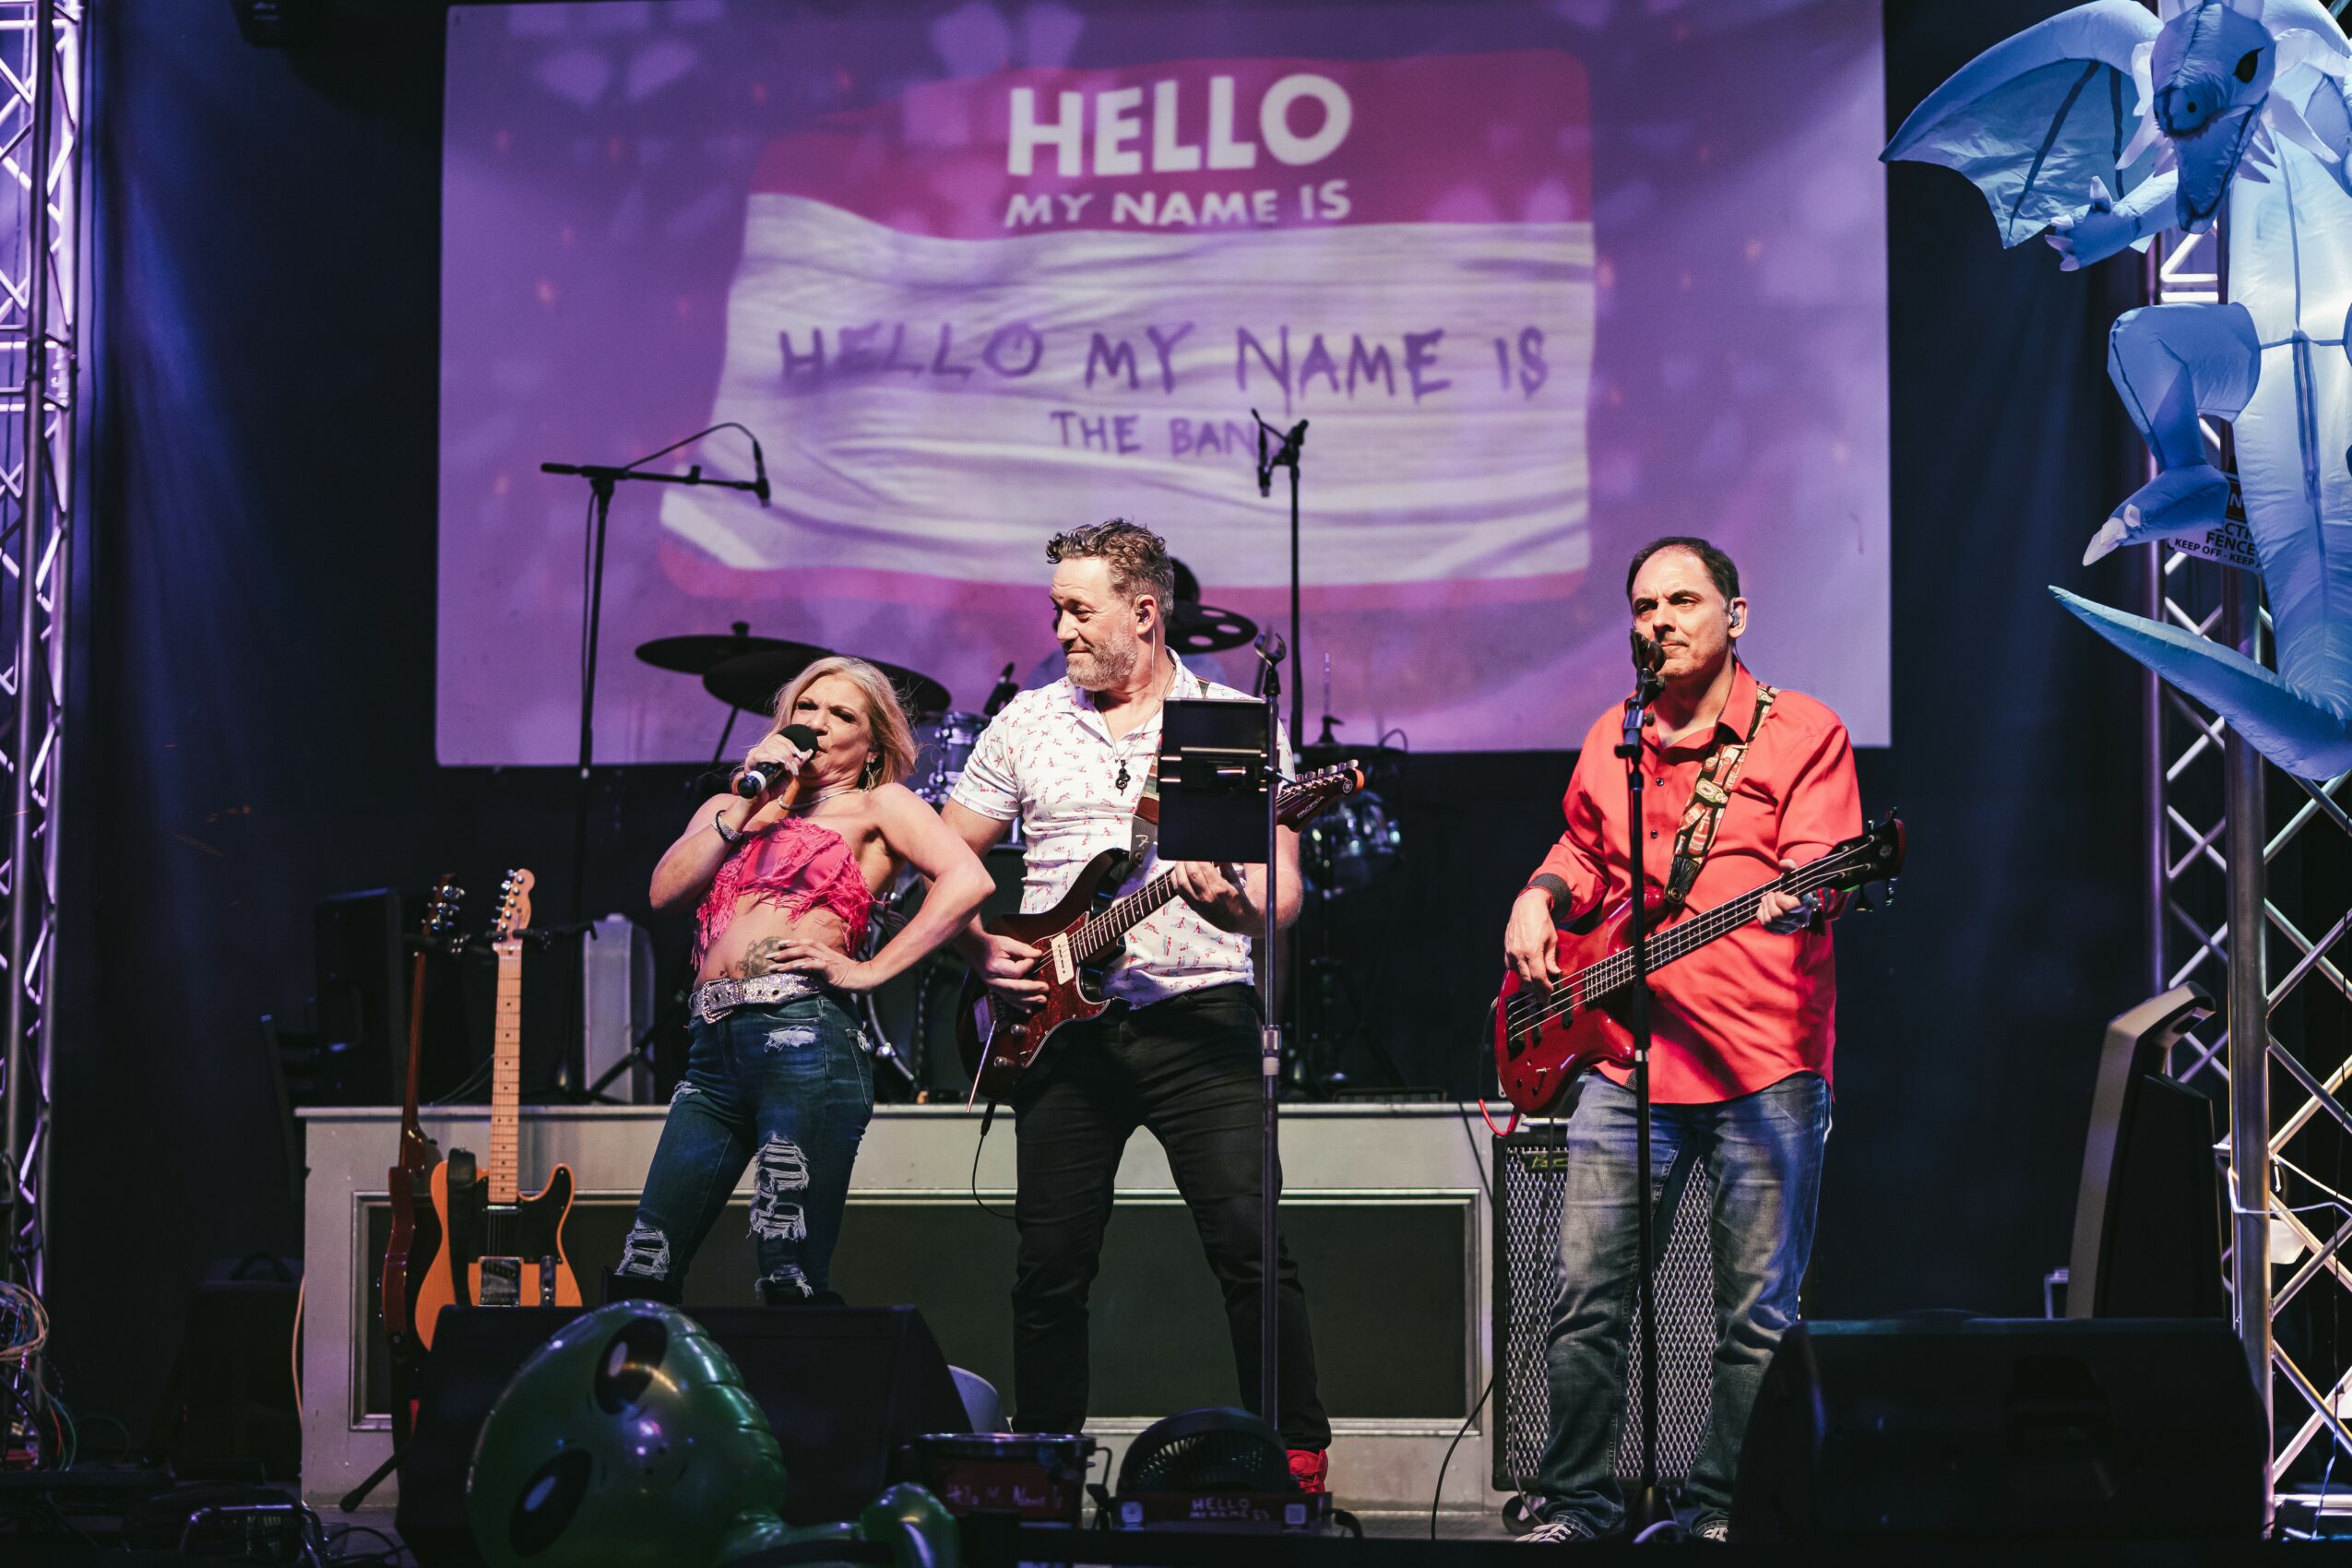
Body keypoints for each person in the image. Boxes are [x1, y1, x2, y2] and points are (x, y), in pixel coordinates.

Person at [937, 518, 1334, 1491]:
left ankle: (1295, 1461)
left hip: (1199, 1016)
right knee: (1049, 1266)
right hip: (1059, 1033)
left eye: (1080, 610)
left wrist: (1231, 903)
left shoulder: (1227, 722)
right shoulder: (1026, 722)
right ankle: (1042, 1471)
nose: (1061, 629)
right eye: (1057, 609)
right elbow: (942, 862)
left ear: (1145, 612)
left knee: (1250, 1247)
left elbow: (1279, 891)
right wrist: (981, 947)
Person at [1502, 537, 1860, 1544]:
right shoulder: (1615, 735)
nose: (1660, 620)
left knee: (1758, 1315)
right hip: (1629, 1059)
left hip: (1765, 1064)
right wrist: (1539, 895)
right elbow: (1582, 846)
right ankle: (1577, 1503)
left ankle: (1722, 1511)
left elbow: (1824, 868)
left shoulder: (1803, 732)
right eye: (1644, 606)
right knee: (1585, 1301)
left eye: (1683, 601)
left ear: (1735, 617)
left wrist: (1804, 898)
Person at [614, 655, 995, 1304]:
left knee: (787, 1271)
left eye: (841, 715)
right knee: (644, 1262)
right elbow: (664, 893)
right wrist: (745, 806)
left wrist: (870, 970)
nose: (818, 724)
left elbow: (968, 880)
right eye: (806, 709)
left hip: (804, 1038)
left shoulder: (879, 805)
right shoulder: (731, 807)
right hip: (712, 1053)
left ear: (872, 746)